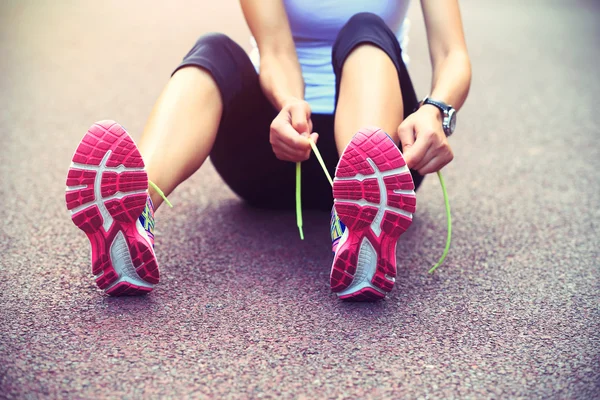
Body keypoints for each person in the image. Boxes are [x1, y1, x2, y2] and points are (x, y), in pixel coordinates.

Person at [65, 0, 471, 300]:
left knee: (366, 29)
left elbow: (453, 54)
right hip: (278, 150)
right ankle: (132, 211)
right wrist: (289, 105)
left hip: (388, 150)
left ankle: (362, 216)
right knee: (214, 49)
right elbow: (276, 52)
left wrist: (437, 110)